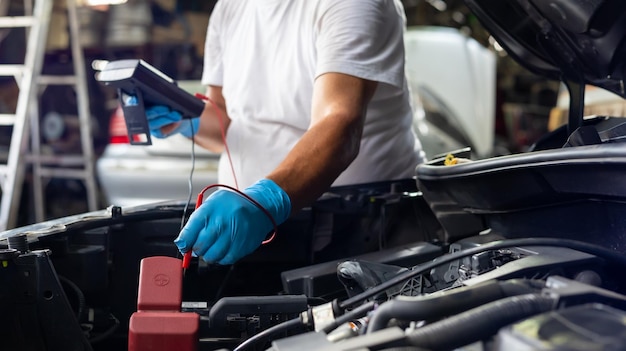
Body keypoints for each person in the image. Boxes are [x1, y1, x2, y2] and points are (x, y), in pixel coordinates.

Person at [147, 0, 425, 265]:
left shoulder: (351, 4)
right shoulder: (230, 7)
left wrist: (265, 199)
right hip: (266, 233)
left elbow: (339, 124)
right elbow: (226, 123)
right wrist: (183, 117)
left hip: (366, 227)